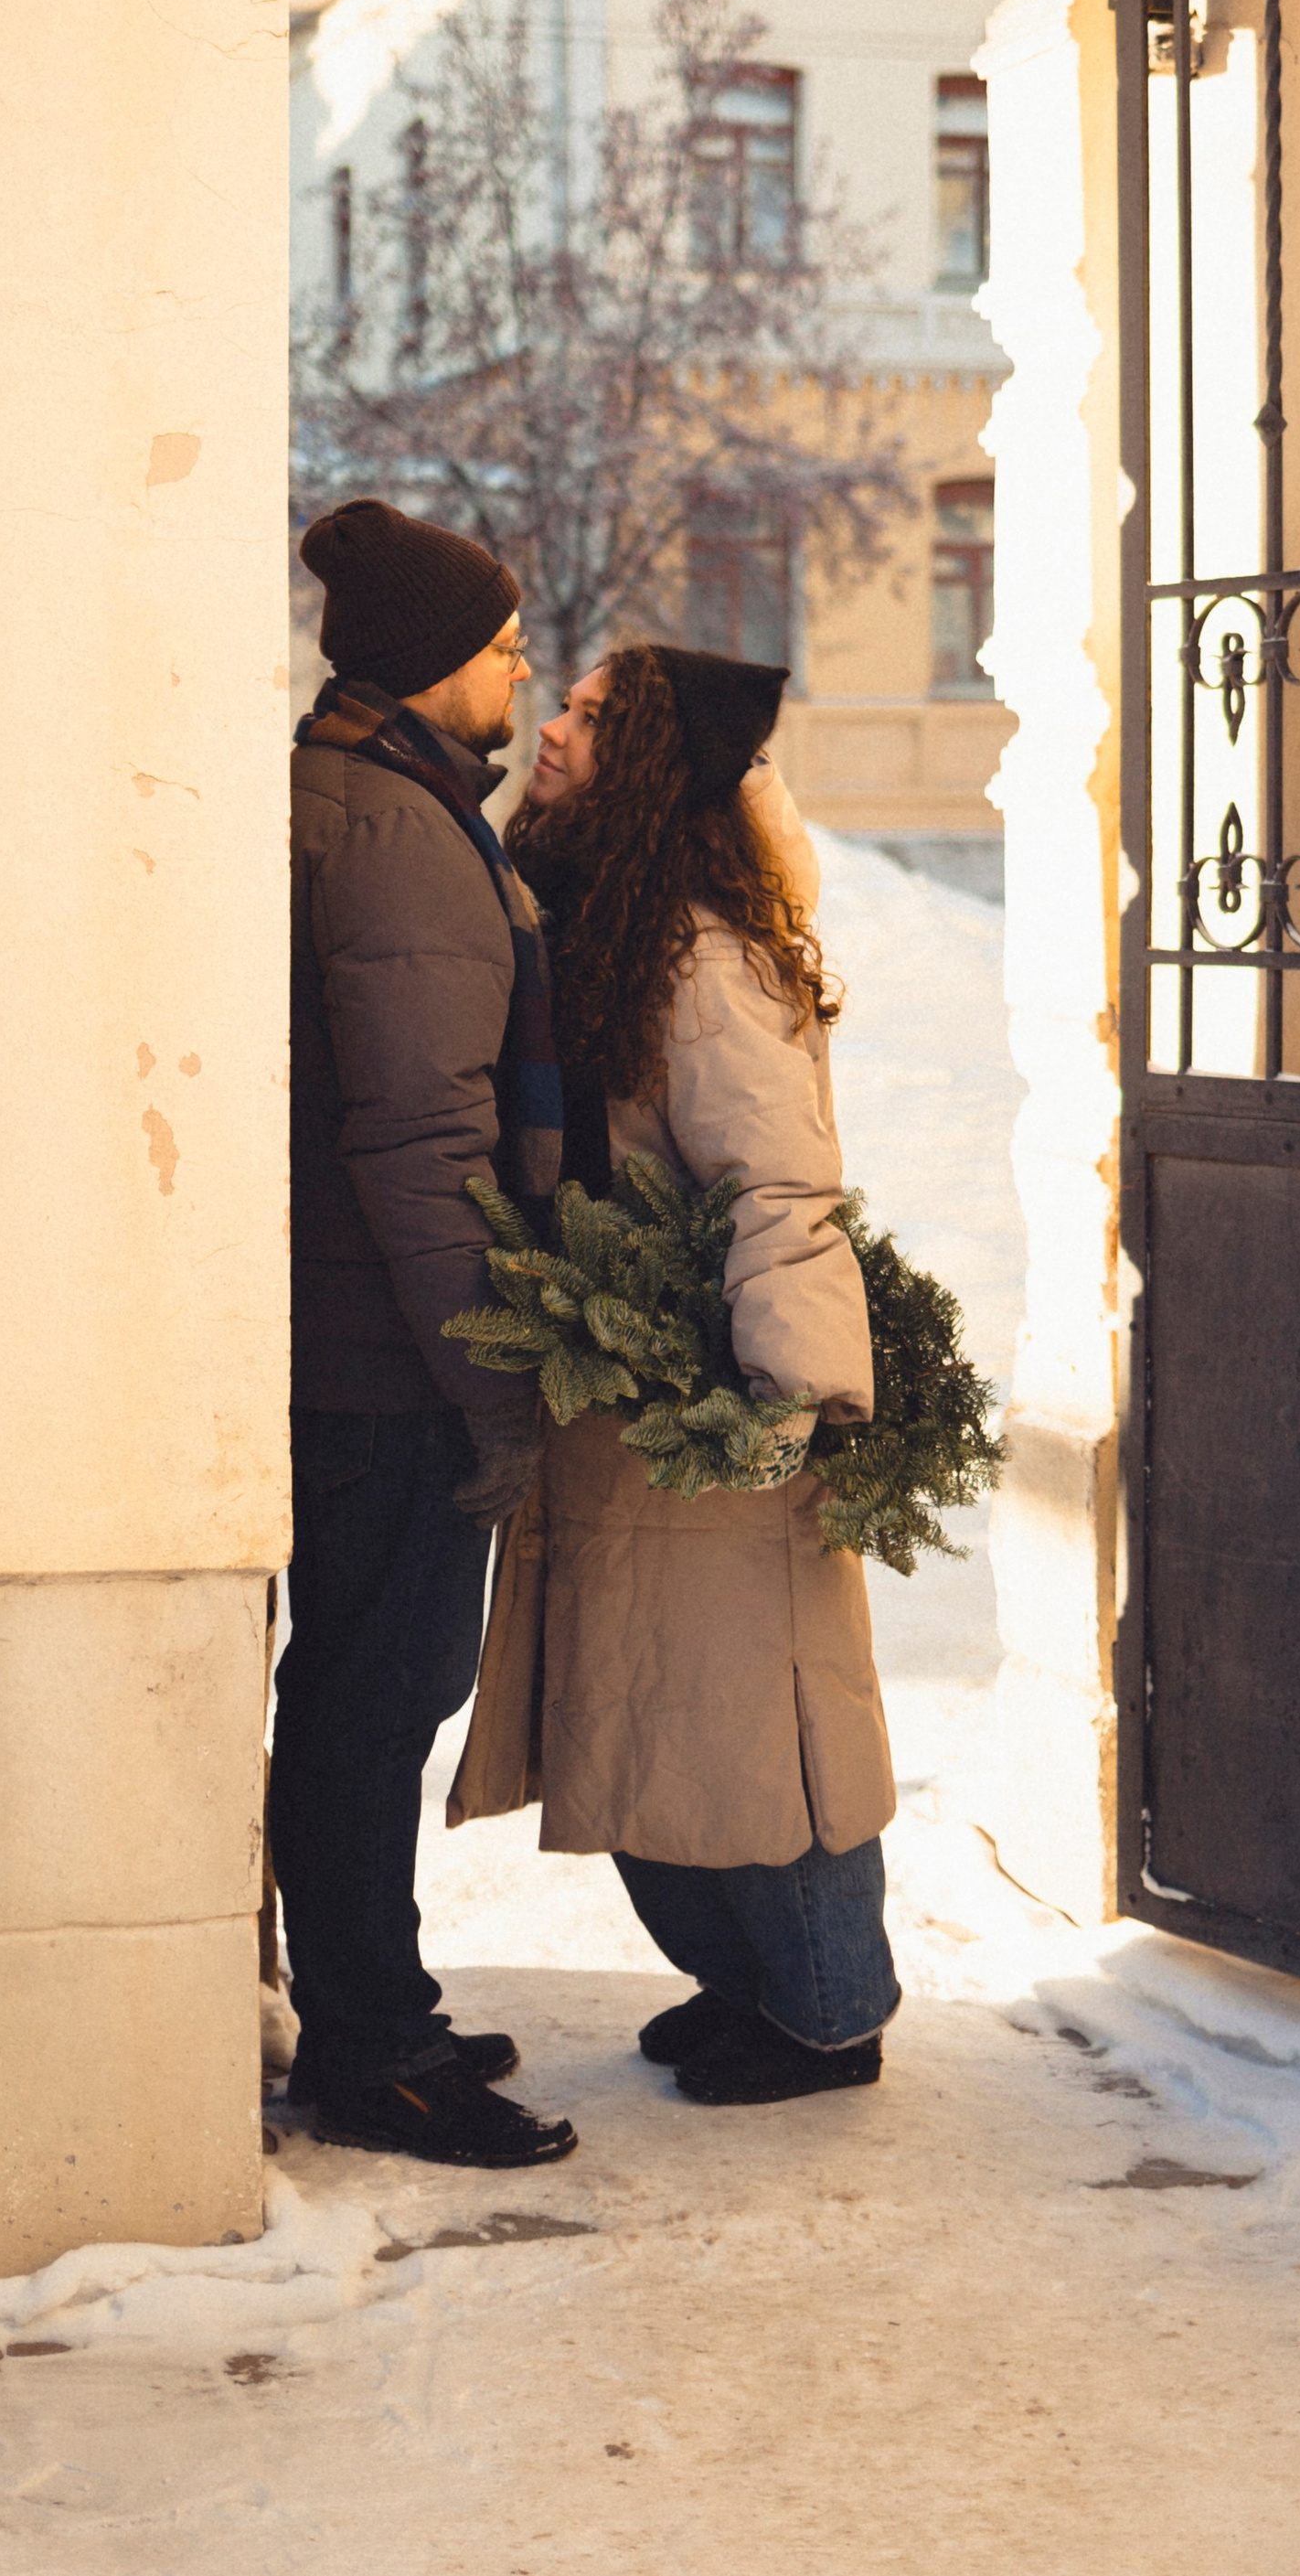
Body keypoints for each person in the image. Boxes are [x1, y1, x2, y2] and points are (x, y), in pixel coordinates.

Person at [452, 640, 900, 2104]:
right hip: (629, 1399)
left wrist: (794, 1396)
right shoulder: (605, 923)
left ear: (650, 768)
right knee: (661, 1713)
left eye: (593, 717)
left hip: (719, 1403)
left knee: (761, 1716)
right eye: (567, 703)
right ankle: (749, 1986)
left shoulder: (698, 960)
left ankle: (829, 2015)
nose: (556, 728)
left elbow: (777, 1179)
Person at [282, 497, 577, 2167]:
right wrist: (490, 1382)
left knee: (362, 1691)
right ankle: (374, 2049)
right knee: (376, 1696)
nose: (521, 668)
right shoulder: (398, 828)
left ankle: (372, 2006)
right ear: (425, 661)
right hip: (384, 1349)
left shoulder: (362, 791)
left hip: (357, 1329)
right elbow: (422, 1138)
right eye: (501, 644)